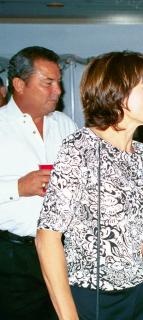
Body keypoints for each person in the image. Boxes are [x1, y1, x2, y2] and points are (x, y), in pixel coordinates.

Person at [35, 51, 143, 320]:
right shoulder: (80, 148)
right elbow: (46, 239)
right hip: (90, 299)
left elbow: (129, 239)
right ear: (119, 94)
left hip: (137, 295)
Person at [0, 46, 77, 320]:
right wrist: (18, 188)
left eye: (58, 82)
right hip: (13, 258)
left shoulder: (65, 125)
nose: (58, 90)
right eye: (48, 83)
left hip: (64, 250)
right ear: (19, 84)